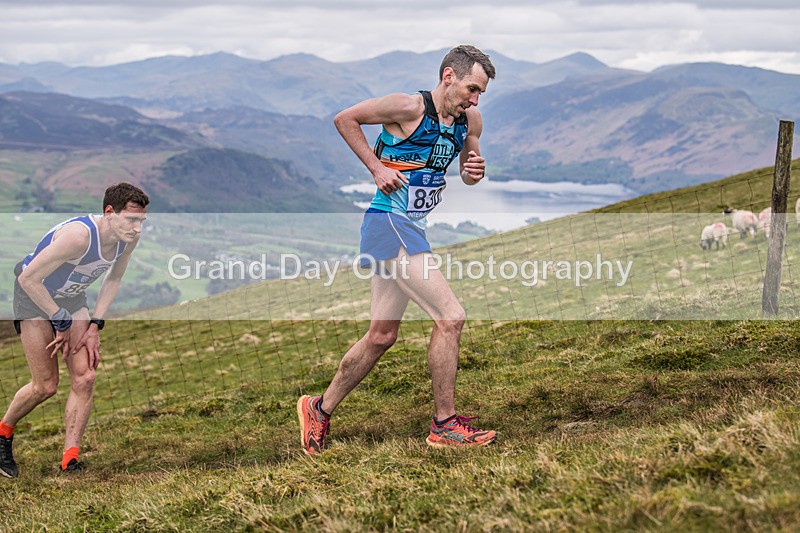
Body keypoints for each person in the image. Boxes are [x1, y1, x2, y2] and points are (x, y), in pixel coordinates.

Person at [297, 45, 497, 455]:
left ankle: (319, 407)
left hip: (410, 226)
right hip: (389, 222)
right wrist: (376, 167)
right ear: (448, 77)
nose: (475, 100)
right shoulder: (407, 107)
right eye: (471, 88)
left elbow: (468, 170)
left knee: (381, 335)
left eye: (480, 93)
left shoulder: (469, 120)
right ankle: (444, 425)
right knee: (451, 317)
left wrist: (472, 172)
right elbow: (345, 118)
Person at [0, 183, 149, 477]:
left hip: (71, 299)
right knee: (46, 386)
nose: (137, 229)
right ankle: (3, 433)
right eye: (131, 219)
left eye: (141, 221)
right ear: (109, 212)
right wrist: (60, 320)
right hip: (34, 297)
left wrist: (95, 324)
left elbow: (114, 279)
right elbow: (28, 280)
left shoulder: (126, 240)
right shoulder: (78, 237)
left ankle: (70, 459)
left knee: (86, 376)